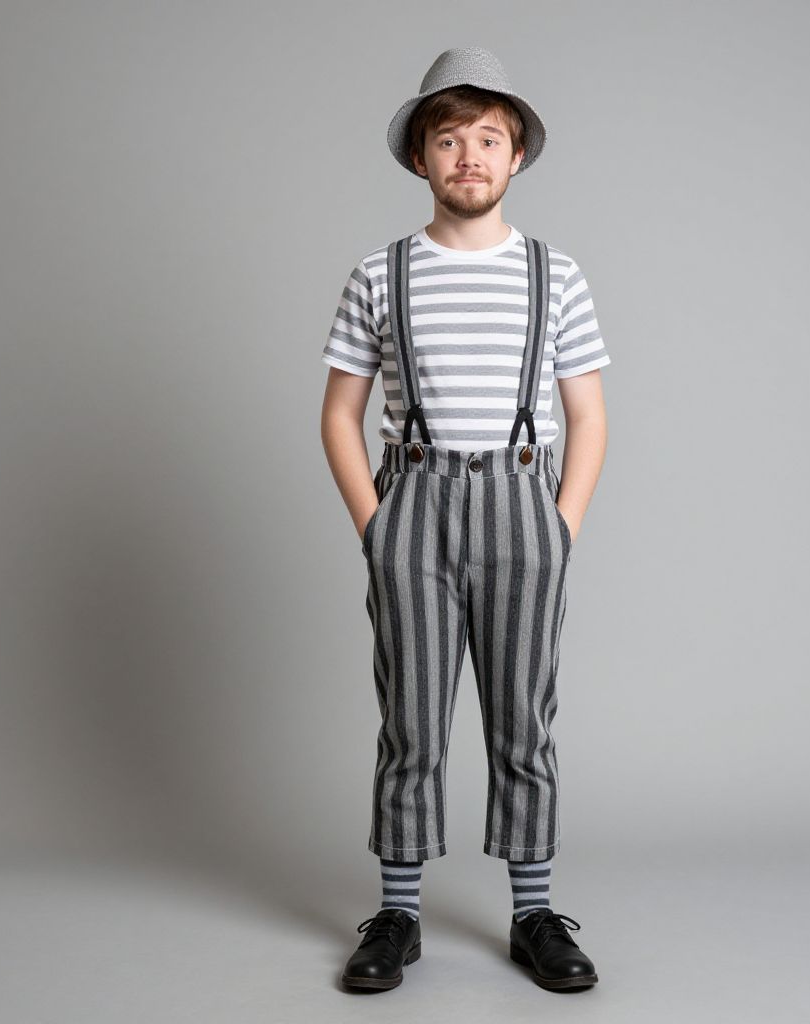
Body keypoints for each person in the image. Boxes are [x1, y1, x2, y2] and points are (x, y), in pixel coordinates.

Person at [320, 46, 610, 991]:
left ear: (516, 155)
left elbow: (589, 415)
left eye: (488, 138)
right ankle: (397, 916)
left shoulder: (555, 275)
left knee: (524, 719)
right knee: (411, 720)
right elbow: (339, 415)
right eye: (449, 140)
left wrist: (560, 527)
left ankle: (534, 917)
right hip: (414, 505)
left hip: (524, 505)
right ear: (421, 157)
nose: (470, 155)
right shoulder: (381, 274)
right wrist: (377, 527)